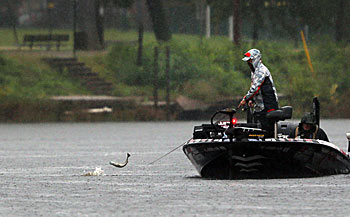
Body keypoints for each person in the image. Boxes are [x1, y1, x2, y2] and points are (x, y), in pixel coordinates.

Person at [237, 49, 279, 134]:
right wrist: (251, 100)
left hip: (269, 104)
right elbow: (255, 89)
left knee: (267, 129)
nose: (248, 63)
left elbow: (255, 87)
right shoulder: (254, 72)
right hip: (260, 107)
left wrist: (245, 99)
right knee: (256, 125)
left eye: (250, 61)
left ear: (255, 60)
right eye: (248, 61)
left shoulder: (262, 71)